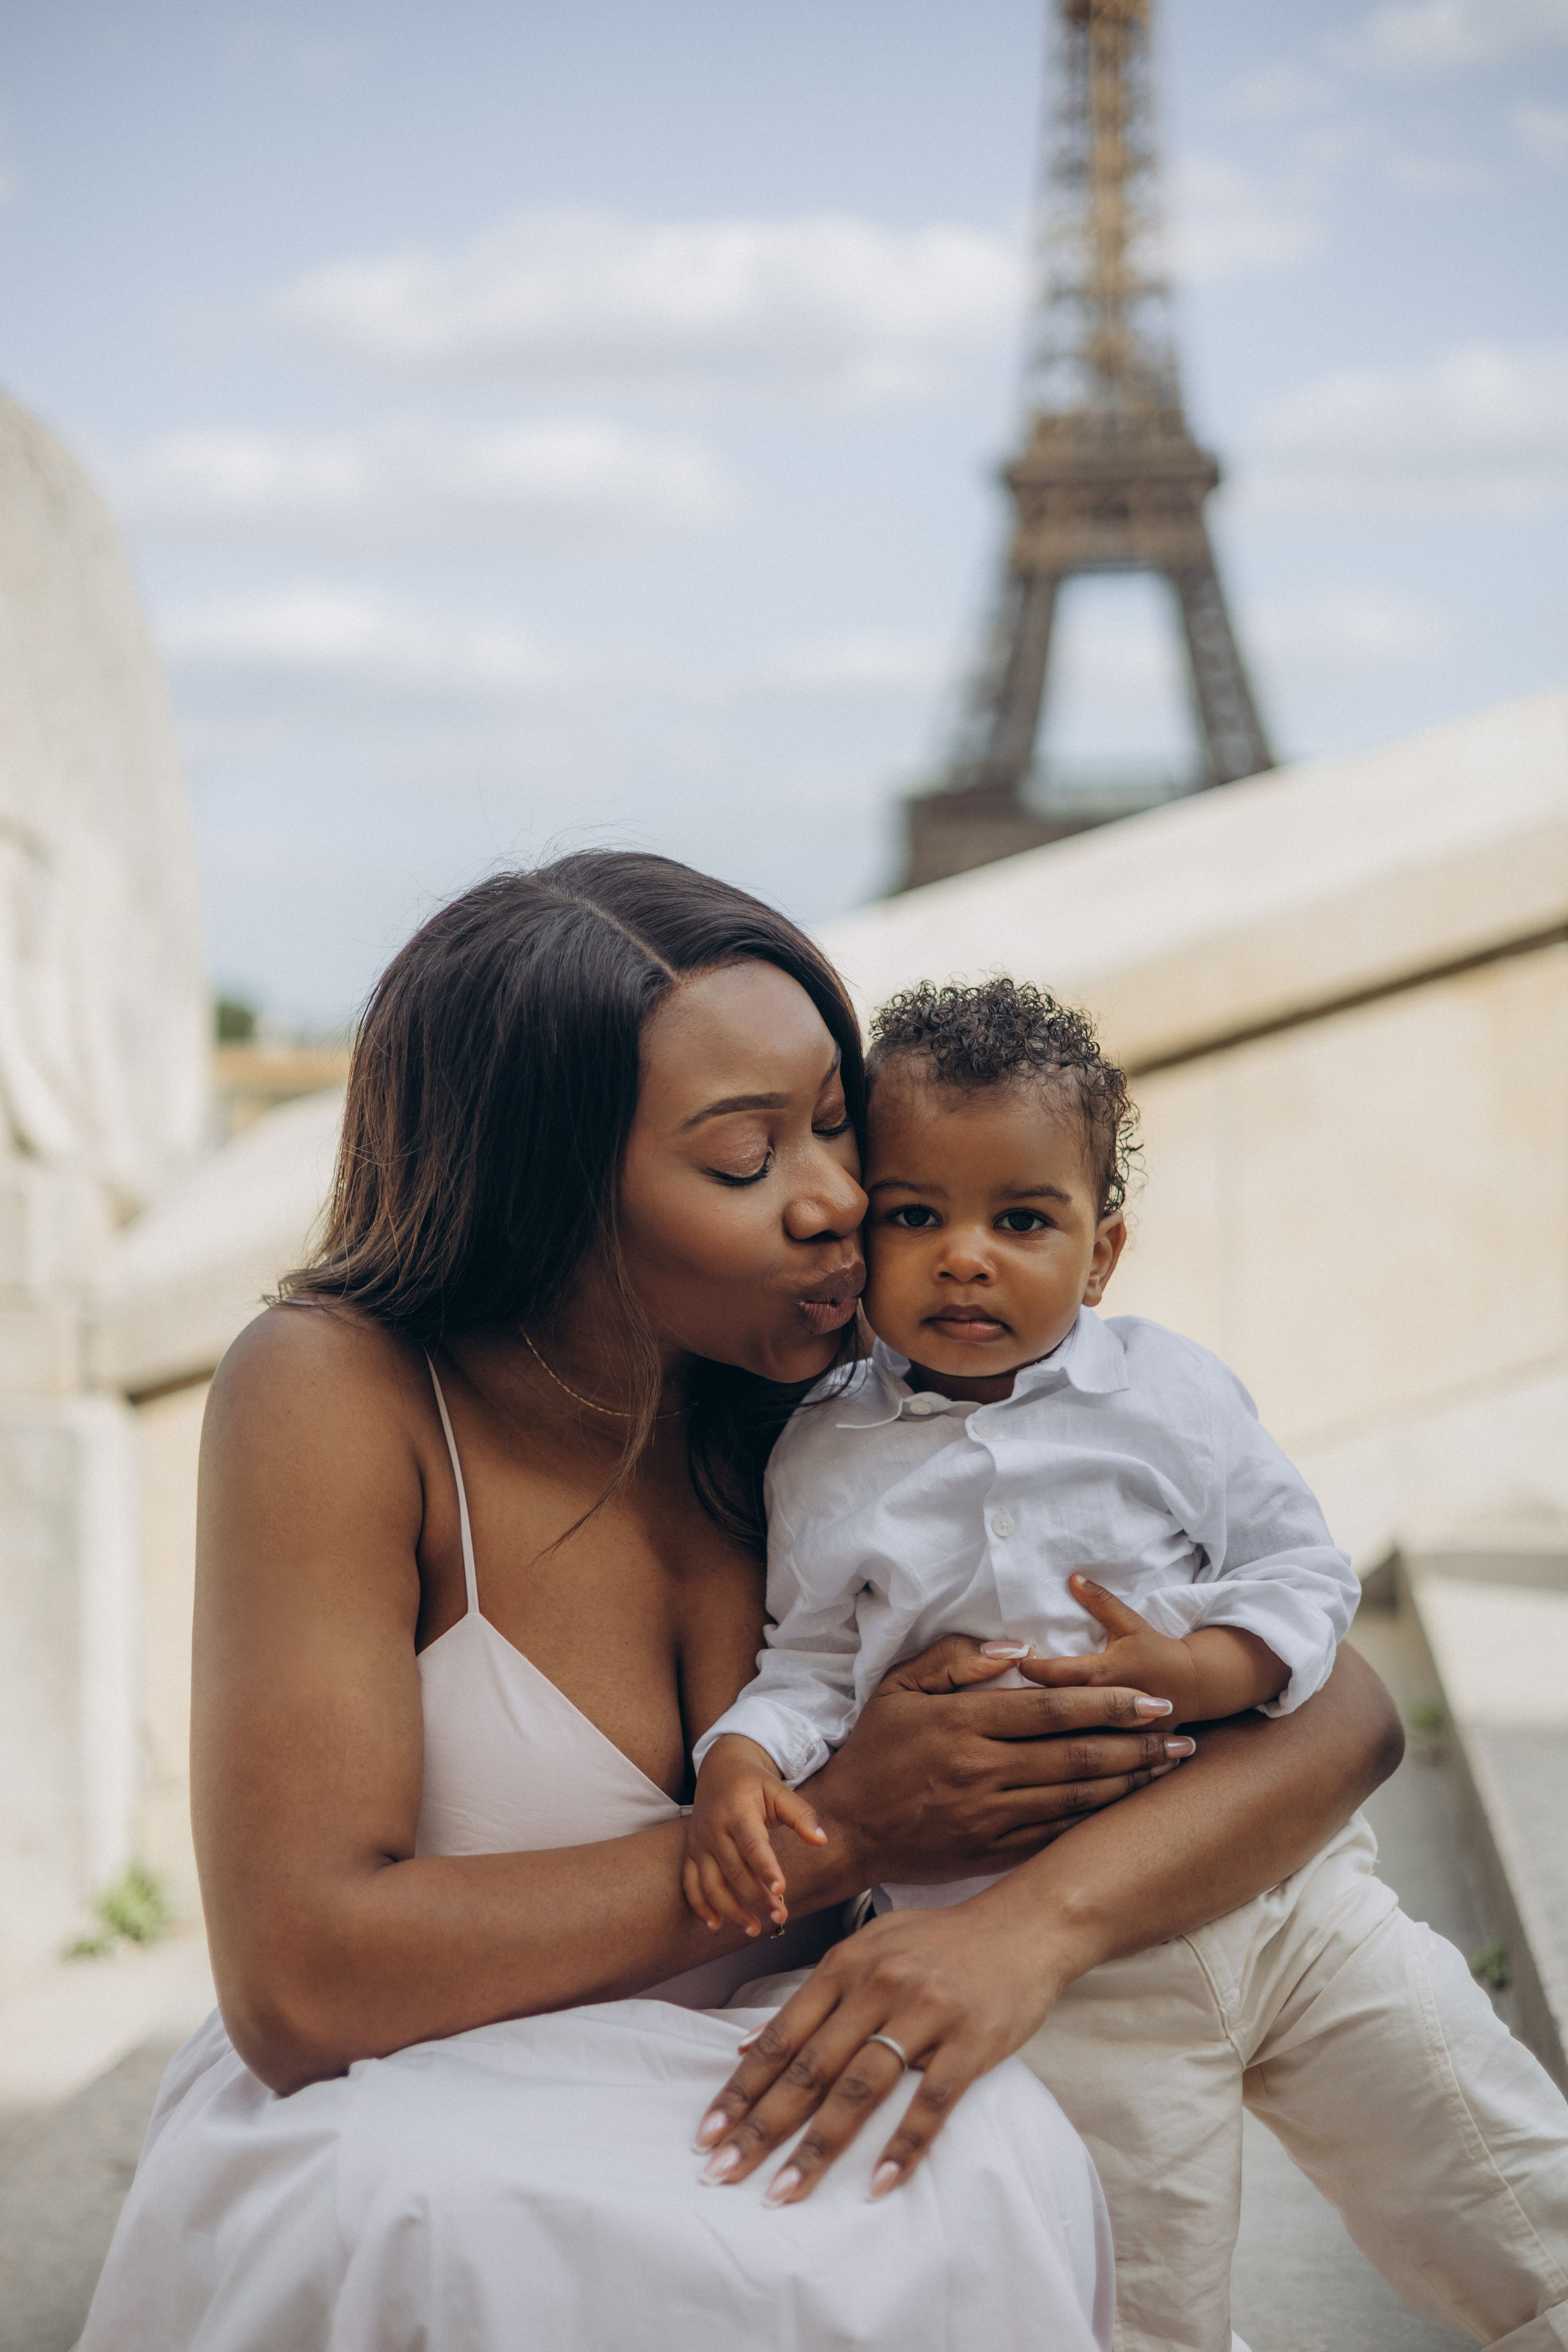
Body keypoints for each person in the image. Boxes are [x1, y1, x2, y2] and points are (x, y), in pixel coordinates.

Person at [83, 854, 1404, 2352]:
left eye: (837, 1128)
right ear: (549, 1184)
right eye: (743, 1160)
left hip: (790, 2076)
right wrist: (845, 1827)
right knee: (439, 2217)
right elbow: (305, 1979)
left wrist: (1023, 1930)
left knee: (982, 2158)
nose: (841, 1203)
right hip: (426, 2112)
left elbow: (1338, 1709)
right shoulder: (338, 1390)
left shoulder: (867, 1402)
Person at [687, 976, 1568, 2352]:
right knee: (1136, 2302)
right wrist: (742, 1758)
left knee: (1503, 2184)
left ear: (1099, 1257)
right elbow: (807, 1660)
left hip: (1282, 1902)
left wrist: (1209, 1672)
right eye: (915, 1215)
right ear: (863, 1240)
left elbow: (1299, 1571)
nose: (963, 1257)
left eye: (1019, 1221)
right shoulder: (822, 1455)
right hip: (1061, 1985)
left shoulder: (1169, 1394)